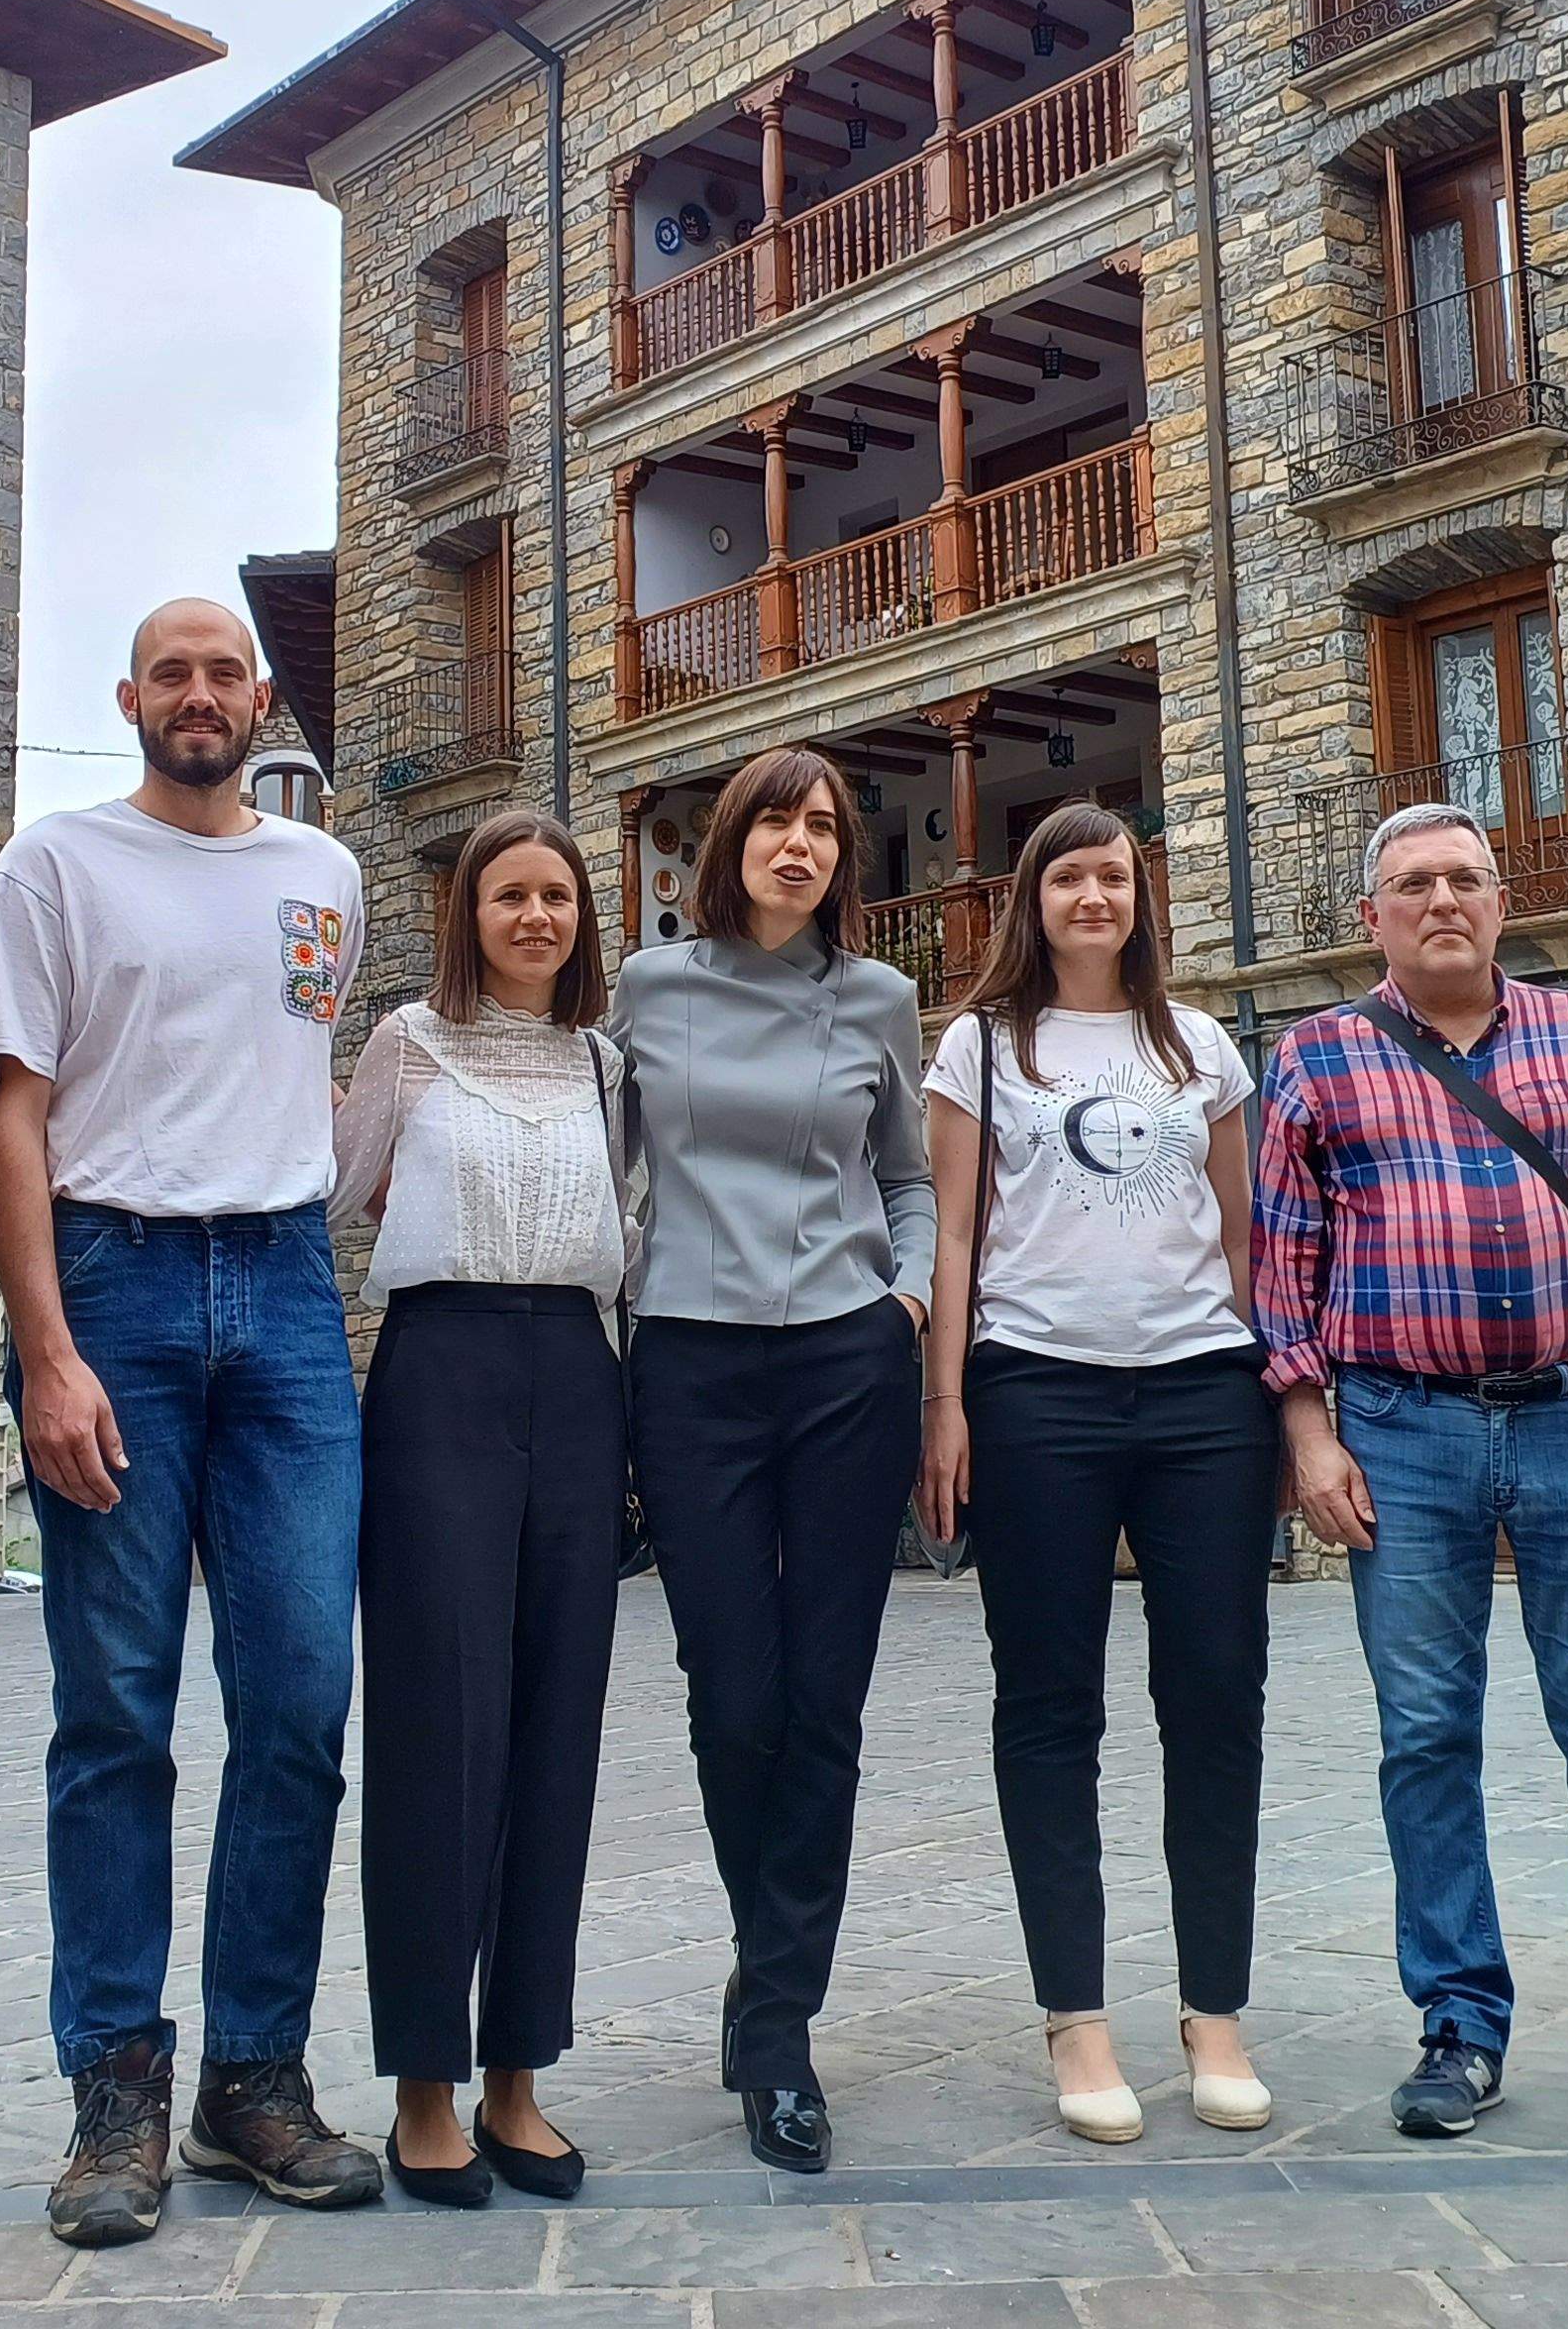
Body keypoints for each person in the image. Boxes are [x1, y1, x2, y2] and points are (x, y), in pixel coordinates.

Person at [0, 597, 380, 2250]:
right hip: (114, 1288)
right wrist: (46, 1352)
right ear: (128, 695)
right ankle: (116, 2092)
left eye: (227, 674)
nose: (201, 696)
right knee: (118, 1714)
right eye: (174, 674)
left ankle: (253, 2082)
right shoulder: (52, 866)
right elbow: (14, 1114)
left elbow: (290, 1080)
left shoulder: (325, 878)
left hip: (283, 1295)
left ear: (260, 700)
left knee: (297, 1704)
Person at [1252, 797, 1568, 2152]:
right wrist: (1307, 1437)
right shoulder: (1316, 1059)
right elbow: (1279, 1270)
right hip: (1400, 1436)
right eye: (1414, 883)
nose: (1443, 900)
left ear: (1500, 904)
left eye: (1466, 877)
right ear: (1375, 919)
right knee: (1425, 1740)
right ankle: (1459, 2025)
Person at [916, 807, 1275, 2146]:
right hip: (1036, 1396)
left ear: (1140, 894)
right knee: (1051, 1708)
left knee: (1217, 1702)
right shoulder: (982, 1046)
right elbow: (952, 1234)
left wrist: (1275, 1393)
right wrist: (944, 1404)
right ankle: (1077, 2020)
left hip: (1202, 1400)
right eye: (1066, 874)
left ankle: (1215, 2016)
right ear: (1032, 898)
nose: (1091, 894)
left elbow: (1244, 1233)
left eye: (1112, 873)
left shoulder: (1203, 1044)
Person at [609, 744, 934, 2175]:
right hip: (686, 1361)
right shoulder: (643, 989)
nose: (797, 846)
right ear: (725, 842)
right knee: (735, 1696)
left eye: (822, 829)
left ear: (838, 861)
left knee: (829, 1702)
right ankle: (771, 1958)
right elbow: (598, 1153)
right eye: (775, 823)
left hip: (845, 1365)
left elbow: (911, 1174)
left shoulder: (880, 1001)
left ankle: (779, 2021)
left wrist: (909, 1296)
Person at [331, 807, 632, 2207]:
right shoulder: (409, 1043)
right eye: (509, 896)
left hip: (578, 1373)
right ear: (470, 915)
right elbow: (338, 1194)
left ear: (582, 920)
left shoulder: (606, 1065)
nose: (534, 918)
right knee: (439, 1723)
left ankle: (520, 2075)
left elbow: (628, 1229)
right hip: (438, 1369)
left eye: (557, 898)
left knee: (556, 1723)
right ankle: (425, 2088)